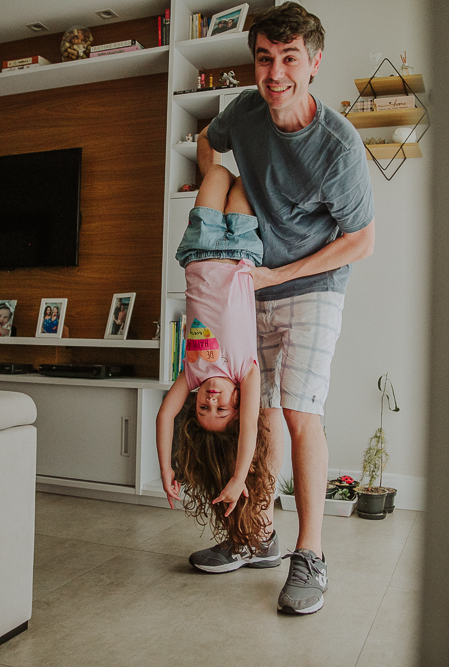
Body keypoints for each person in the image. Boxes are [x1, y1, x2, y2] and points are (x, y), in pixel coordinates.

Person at [194, 2, 375, 615]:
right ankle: (257, 536)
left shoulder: (338, 146)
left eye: (289, 59)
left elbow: (362, 239)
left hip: (313, 283)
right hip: (252, 285)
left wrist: (281, 271)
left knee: (298, 411)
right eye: (265, 59)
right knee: (261, 414)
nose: (275, 74)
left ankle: (311, 555)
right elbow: (205, 142)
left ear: (314, 63)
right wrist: (215, 213)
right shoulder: (244, 112)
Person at [156, 166, 277, 560]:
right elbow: (248, 436)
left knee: (219, 172)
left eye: (203, 407)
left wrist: (166, 469)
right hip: (242, 251)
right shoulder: (247, 371)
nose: (210, 399)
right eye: (220, 408)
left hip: (200, 247)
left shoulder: (191, 375)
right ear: (239, 405)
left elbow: (164, 417)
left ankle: (217, 136)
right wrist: (239, 475)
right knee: (246, 178)